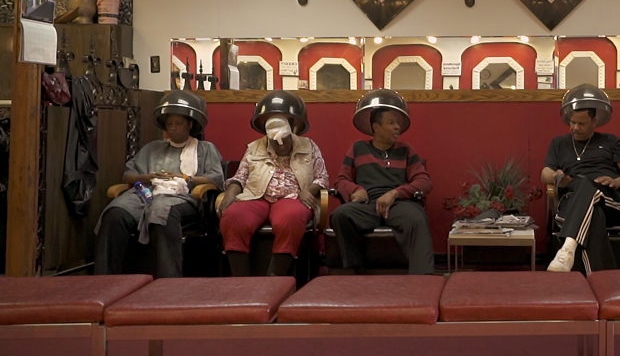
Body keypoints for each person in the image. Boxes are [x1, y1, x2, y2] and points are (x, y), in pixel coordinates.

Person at [94, 90, 224, 278]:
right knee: (116, 212)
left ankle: (168, 282)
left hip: (182, 197)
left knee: (161, 211)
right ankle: (104, 279)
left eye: (178, 123)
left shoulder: (204, 149)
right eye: (169, 124)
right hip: (144, 193)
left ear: (190, 124)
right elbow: (128, 176)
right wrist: (148, 177)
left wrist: (185, 177)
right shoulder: (153, 148)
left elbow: (216, 179)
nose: (173, 128)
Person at [217, 91, 328, 276]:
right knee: (233, 217)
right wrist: (230, 193)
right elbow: (240, 177)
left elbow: (322, 177)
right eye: (275, 140)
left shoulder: (309, 146)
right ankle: (241, 281)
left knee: (290, 218)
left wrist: (308, 190)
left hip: (292, 198)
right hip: (256, 196)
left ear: (292, 129)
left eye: (284, 139)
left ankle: (274, 279)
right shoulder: (254, 148)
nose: (280, 144)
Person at [330, 89, 434, 275]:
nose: (397, 127)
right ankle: (356, 269)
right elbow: (341, 180)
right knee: (340, 215)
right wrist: (356, 189)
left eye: (398, 123)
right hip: (367, 203)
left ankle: (423, 278)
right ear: (376, 128)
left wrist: (395, 193)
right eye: (391, 123)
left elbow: (424, 181)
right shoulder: (358, 148)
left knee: (417, 219)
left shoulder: (406, 150)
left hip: (398, 203)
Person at [543, 84, 620, 274]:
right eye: (572, 122)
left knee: (587, 186)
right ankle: (601, 277)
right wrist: (557, 177)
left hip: (611, 199)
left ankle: (567, 250)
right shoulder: (559, 143)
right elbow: (545, 172)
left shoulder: (611, 141)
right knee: (593, 215)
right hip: (573, 200)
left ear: (594, 121)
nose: (575, 128)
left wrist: (617, 181)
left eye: (581, 124)